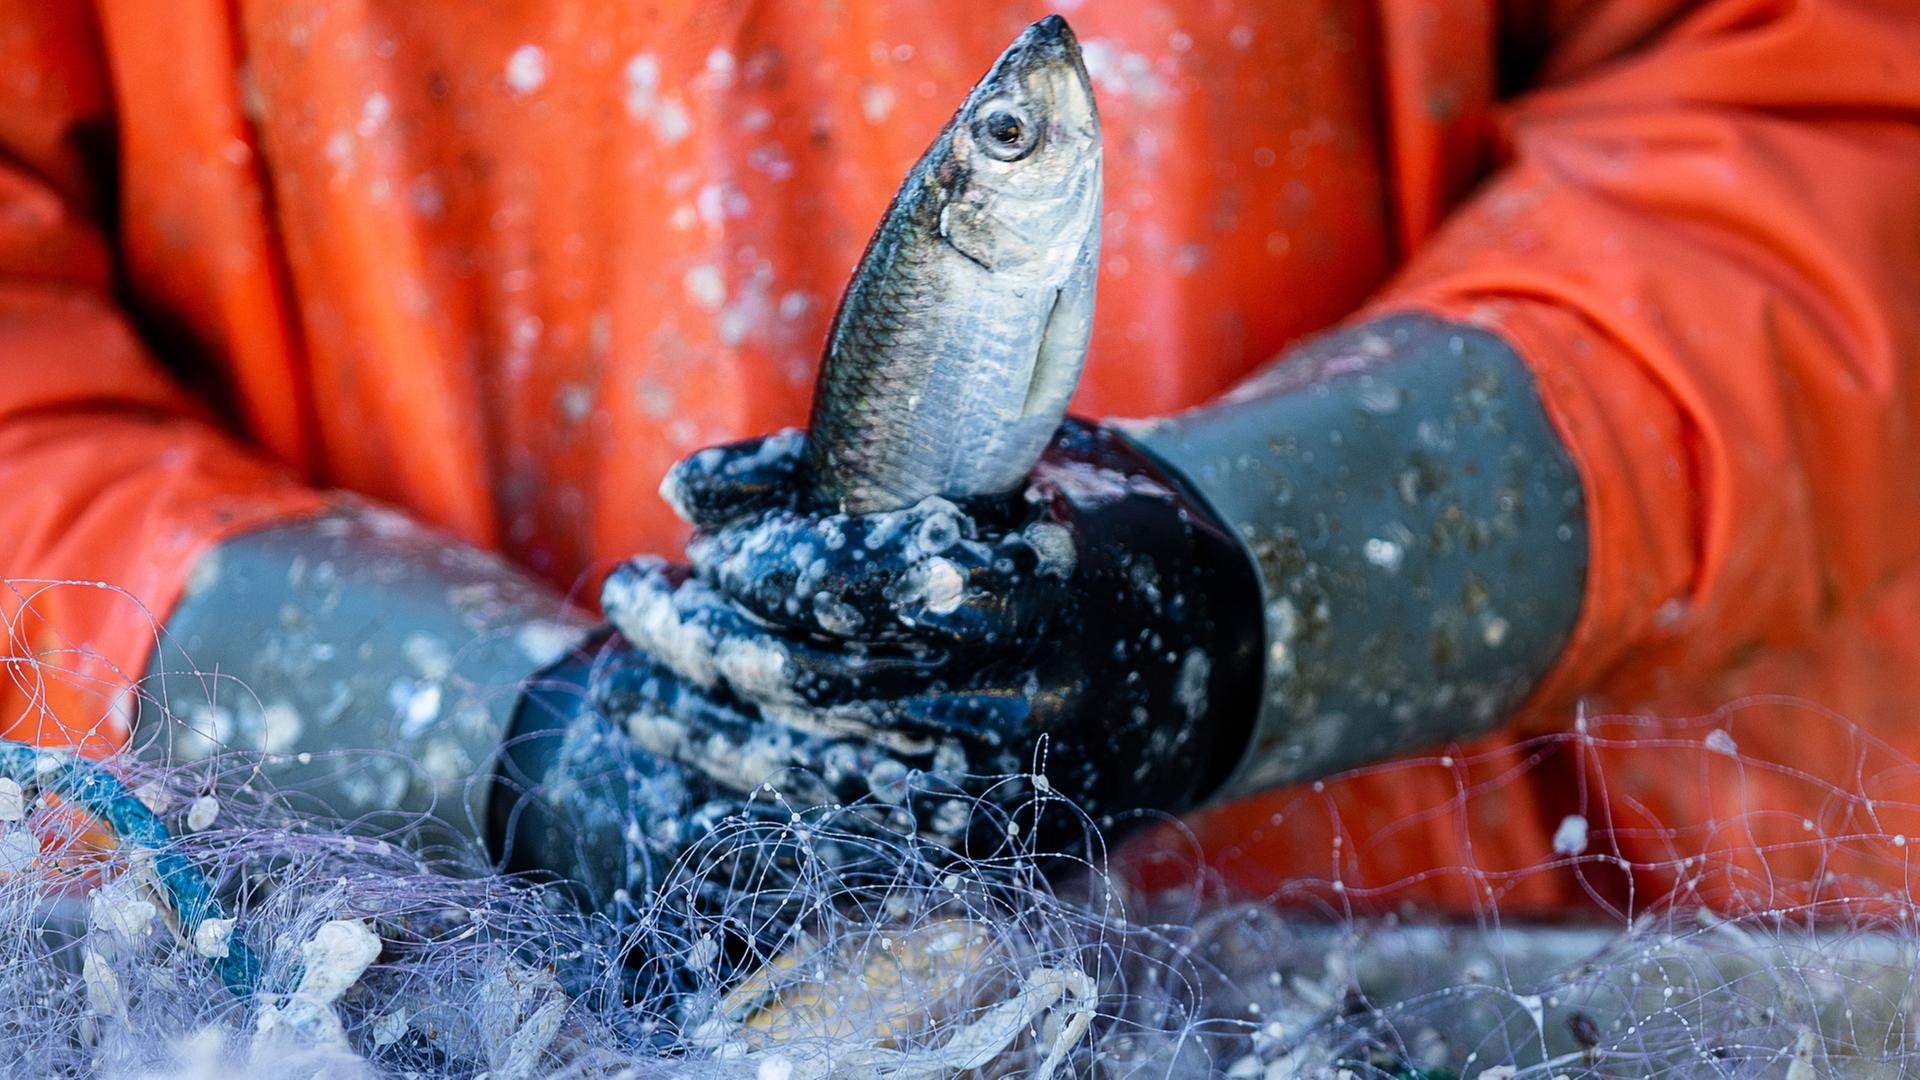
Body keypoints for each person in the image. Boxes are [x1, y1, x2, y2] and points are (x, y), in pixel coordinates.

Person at [1, 1, 1917, 918]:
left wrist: (1256, 580)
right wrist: (495, 743)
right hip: (396, 992)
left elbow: (1821, 124)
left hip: (1471, 965)